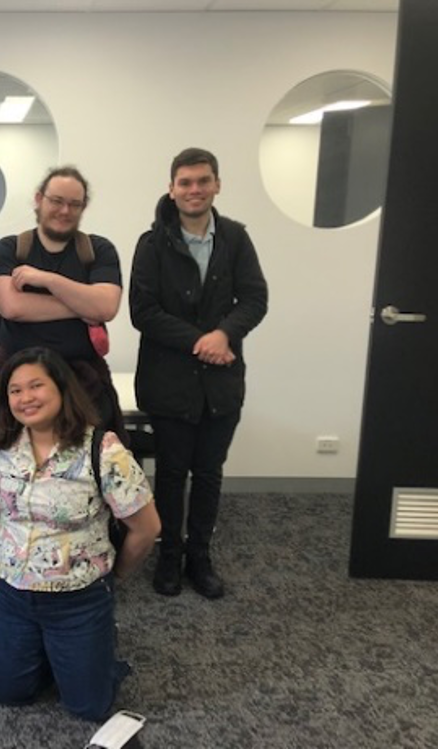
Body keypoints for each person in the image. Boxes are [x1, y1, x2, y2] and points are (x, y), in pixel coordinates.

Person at [0, 347, 159, 722]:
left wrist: (114, 578)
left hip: (78, 598)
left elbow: (146, 529)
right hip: (11, 591)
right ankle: (51, 651)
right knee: (7, 692)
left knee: (88, 707)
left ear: (62, 389)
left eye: (36, 386)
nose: (25, 398)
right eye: (15, 390)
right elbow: (3, 508)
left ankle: (95, 647)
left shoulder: (103, 449)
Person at [130, 147, 268, 600]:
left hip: (221, 384)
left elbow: (254, 298)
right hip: (168, 381)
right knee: (171, 472)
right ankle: (169, 556)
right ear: (171, 188)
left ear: (217, 185)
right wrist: (201, 341)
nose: (194, 189)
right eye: (185, 182)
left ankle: (200, 557)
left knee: (209, 472)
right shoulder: (151, 244)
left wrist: (224, 334)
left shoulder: (235, 239)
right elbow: (143, 312)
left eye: (203, 181)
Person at [0, 165, 128, 461]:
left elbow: (106, 307)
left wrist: (46, 280)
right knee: (5, 459)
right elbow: (12, 307)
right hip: (16, 374)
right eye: (57, 201)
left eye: (74, 204)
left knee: (92, 463)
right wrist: (82, 303)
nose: (65, 210)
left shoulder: (99, 250)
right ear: (39, 199)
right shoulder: (10, 248)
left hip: (83, 376)